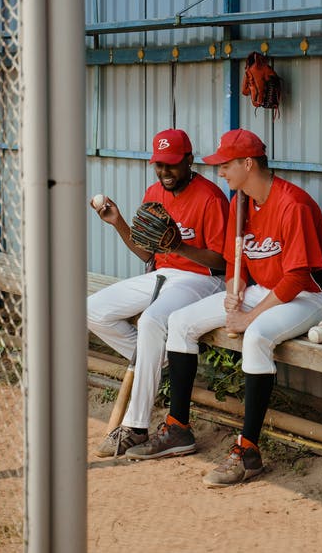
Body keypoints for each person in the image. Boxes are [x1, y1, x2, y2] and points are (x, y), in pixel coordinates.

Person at [125, 128, 322, 488]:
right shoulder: (240, 202)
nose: (220, 172)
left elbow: (298, 277)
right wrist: (233, 290)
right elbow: (232, 262)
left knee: (256, 336)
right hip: (263, 290)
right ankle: (179, 429)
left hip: (310, 296)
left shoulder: (293, 204)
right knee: (179, 321)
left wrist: (247, 316)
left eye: (225, 165)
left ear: (248, 163)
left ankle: (249, 451)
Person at [87, 128, 229, 457]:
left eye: (172, 164)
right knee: (93, 310)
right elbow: (148, 254)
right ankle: (160, 360)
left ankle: (135, 427)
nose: (165, 172)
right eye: (159, 165)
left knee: (152, 320)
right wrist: (118, 221)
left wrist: (180, 246)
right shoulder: (154, 191)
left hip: (203, 279)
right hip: (164, 273)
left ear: (189, 161)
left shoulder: (211, 197)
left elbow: (221, 262)